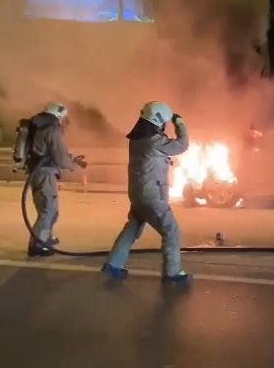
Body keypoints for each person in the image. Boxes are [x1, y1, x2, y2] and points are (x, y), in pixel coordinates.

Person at [101, 102, 191, 284]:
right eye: (164, 122)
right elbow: (182, 145)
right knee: (171, 231)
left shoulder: (136, 140)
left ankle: (113, 265)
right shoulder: (155, 142)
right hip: (152, 197)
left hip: (137, 194)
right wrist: (179, 123)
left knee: (131, 229)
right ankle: (172, 274)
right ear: (157, 121)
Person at [26, 102, 87, 257]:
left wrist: (70, 159)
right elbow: (60, 157)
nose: (64, 122)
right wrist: (73, 165)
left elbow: (51, 151)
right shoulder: (51, 129)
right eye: (63, 118)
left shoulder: (38, 126)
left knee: (47, 208)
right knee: (48, 209)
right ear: (58, 115)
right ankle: (38, 245)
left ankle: (46, 237)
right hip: (45, 173)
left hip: (38, 172)